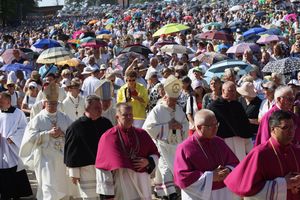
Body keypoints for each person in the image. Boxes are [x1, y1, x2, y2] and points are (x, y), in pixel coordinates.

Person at [225, 110, 300, 199]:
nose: (291, 131)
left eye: (293, 127)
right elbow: (248, 189)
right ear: (273, 129)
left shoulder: (296, 151)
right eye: (285, 127)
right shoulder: (260, 153)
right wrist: (283, 184)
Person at [19, 83, 74, 200]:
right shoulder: (38, 119)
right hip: (45, 160)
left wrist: (62, 133)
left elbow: (73, 134)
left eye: (55, 103)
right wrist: (47, 134)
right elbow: (29, 138)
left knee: (62, 189)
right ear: (44, 103)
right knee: (48, 187)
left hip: (62, 160)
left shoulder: (64, 117)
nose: (53, 106)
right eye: (50, 103)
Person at [95, 103, 159, 200]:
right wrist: (107, 194)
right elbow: (103, 167)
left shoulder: (142, 134)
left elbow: (155, 153)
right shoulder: (108, 137)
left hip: (142, 182)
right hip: (122, 183)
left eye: (131, 114)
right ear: (117, 117)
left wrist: (148, 161)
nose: (129, 117)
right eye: (125, 115)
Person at [174, 109, 239, 200]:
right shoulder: (184, 148)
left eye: (216, 125)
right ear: (199, 127)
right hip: (199, 196)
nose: (215, 129)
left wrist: (228, 170)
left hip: (223, 192)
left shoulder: (219, 141)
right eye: (210, 126)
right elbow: (183, 178)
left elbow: (234, 163)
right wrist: (211, 177)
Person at [143, 75, 189, 199]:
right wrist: (167, 126)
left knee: (174, 169)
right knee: (165, 170)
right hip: (162, 146)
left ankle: (171, 192)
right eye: (172, 100)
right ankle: (171, 194)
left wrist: (181, 126)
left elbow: (186, 124)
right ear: (166, 96)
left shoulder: (179, 109)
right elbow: (148, 127)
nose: (174, 103)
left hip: (176, 146)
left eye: (175, 100)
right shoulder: (158, 110)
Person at [64, 95, 113, 199]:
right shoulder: (75, 127)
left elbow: (113, 145)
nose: (100, 110)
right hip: (86, 170)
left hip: (105, 168)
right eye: (96, 108)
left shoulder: (106, 123)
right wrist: (74, 172)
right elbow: (71, 151)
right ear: (86, 108)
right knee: (89, 197)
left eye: (100, 108)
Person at [208, 81, 252, 161]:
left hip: (239, 140)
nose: (233, 93)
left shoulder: (237, 105)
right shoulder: (214, 106)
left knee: (240, 163)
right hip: (223, 141)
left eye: (234, 90)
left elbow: (245, 124)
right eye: (230, 90)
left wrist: (247, 139)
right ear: (223, 91)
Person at [0, 92, 32, 199]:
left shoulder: (18, 113)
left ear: (8, 101)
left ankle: (17, 195)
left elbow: (24, 129)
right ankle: (5, 194)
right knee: (3, 172)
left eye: (1, 100)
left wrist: (13, 138)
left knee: (15, 171)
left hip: (13, 147)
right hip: (1, 149)